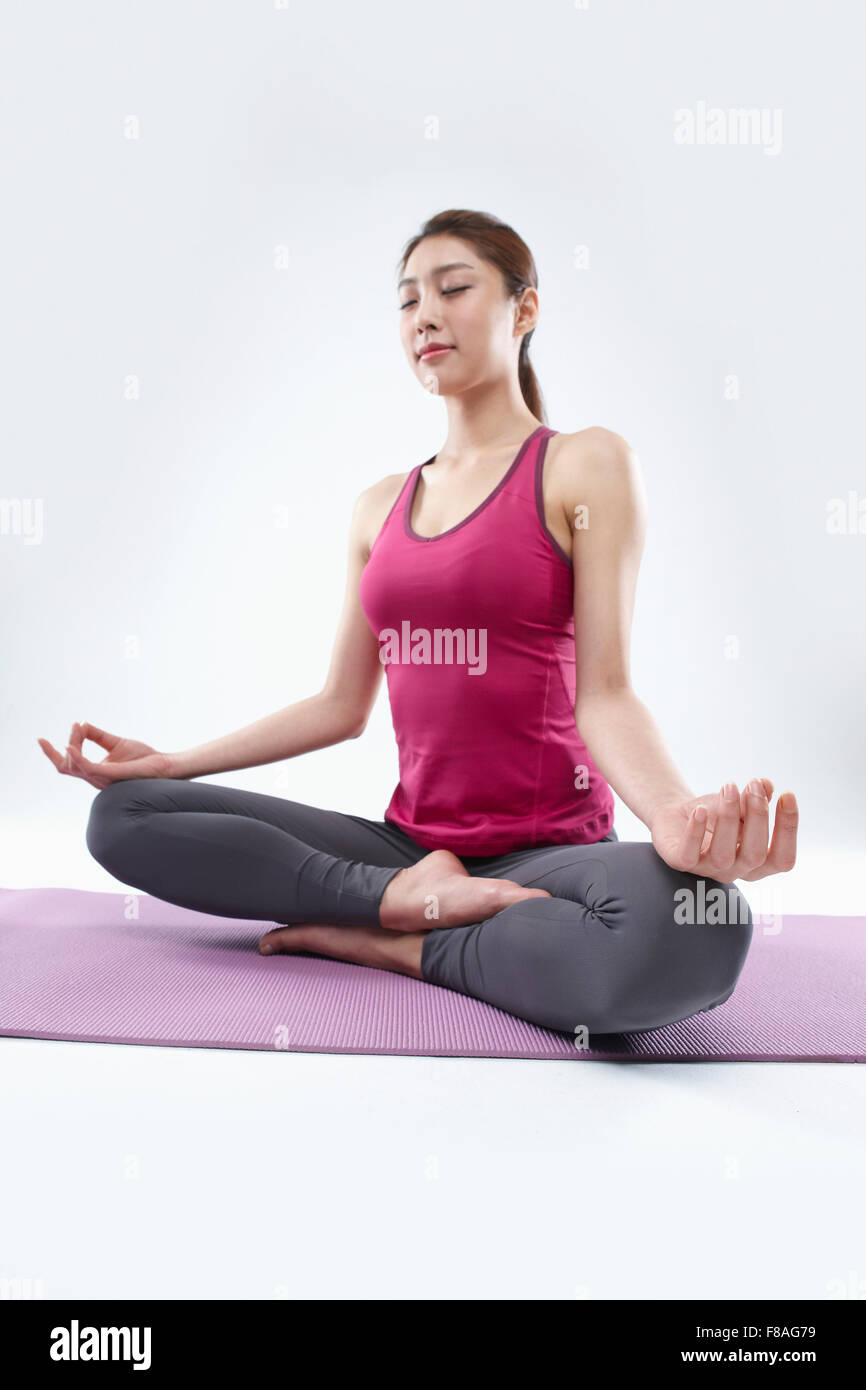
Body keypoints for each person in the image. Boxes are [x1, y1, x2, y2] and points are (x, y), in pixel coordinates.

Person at [37, 208, 798, 1038]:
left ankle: (399, 945)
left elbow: (606, 694)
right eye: (407, 301)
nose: (425, 316)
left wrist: (673, 814)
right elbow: (339, 706)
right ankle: (400, 901)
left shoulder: (584, 464)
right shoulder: (378, 508)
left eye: (454, 288)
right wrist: (174, 762)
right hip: (410, 851)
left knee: (701, 924)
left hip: (554, 859)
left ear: (524, 308)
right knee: (126, 815)